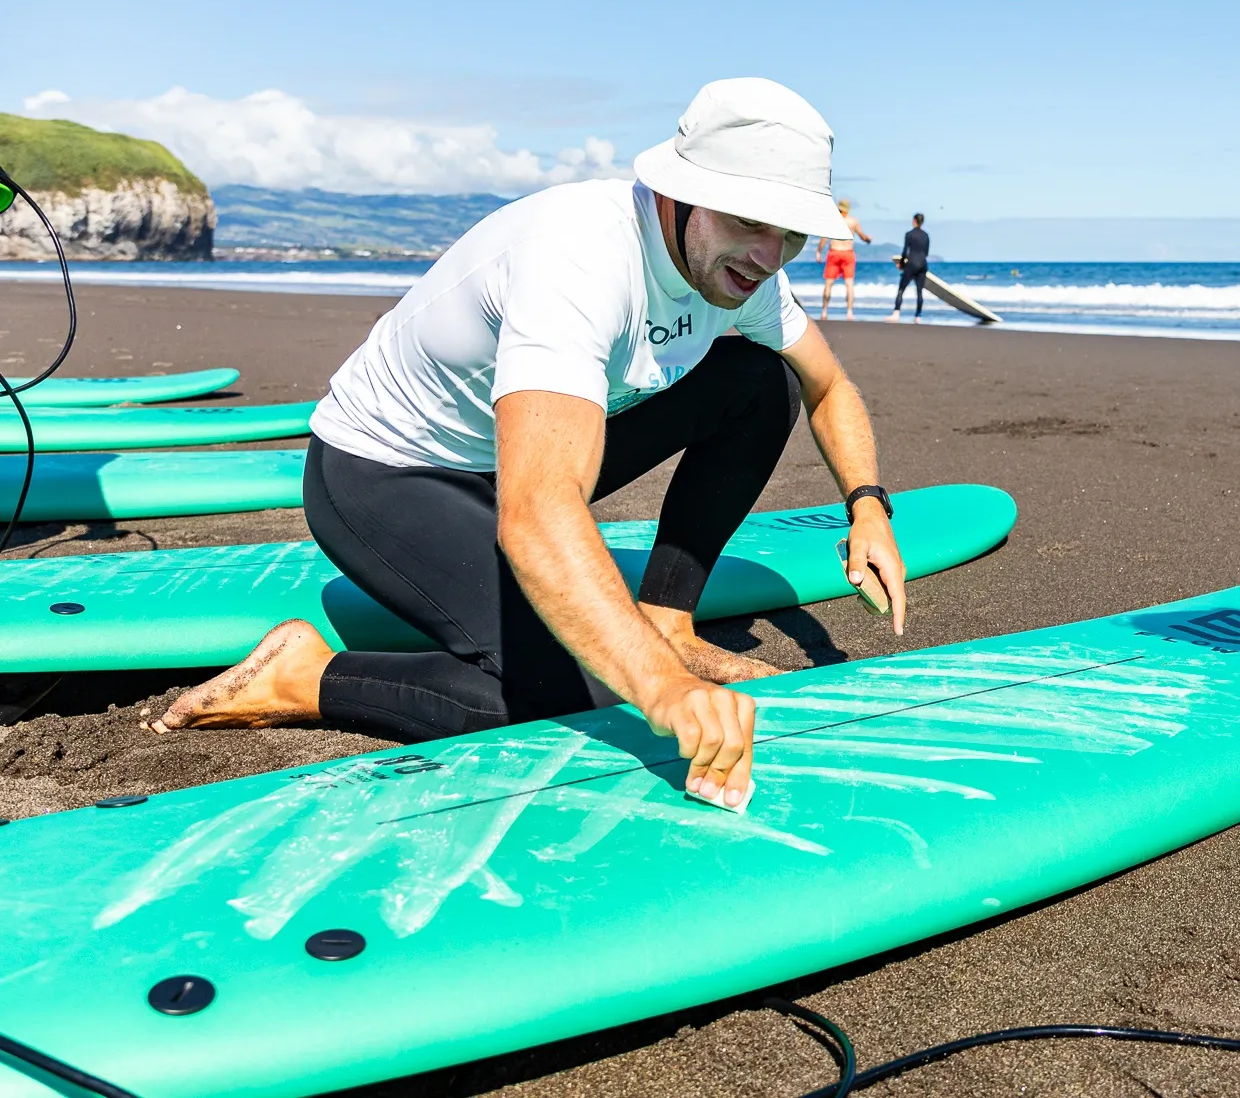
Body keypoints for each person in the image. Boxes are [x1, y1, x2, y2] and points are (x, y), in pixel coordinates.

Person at [151, 78, 910, 814]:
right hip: (385, 470)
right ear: (682, 194)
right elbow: (538, 513)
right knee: (576, 691)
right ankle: (306, 676)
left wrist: (867, 507)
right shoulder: (579, 257)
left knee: (759, 380)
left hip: (508, 457)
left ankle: (669, 619)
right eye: (752, 222)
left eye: (792, 233)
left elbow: (827, 386)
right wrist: (663, 688)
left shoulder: (746, 268)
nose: (770, 255)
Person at [817, 198, 874, 320]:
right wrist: (868, 239)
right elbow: (862, 236)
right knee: (849, 284)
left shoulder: (831, 221)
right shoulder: (852, 222)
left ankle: (824, 311)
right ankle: (849, 312)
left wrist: (818, 252)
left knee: (828, 283)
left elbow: (823, 239)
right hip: (848, 253)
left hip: (834, 252)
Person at [890, 213, 930, 322]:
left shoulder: (909, 234)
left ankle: (896, 313)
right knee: (919, 292)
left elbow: (905, 252)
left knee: (901, 289)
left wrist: (902, 264)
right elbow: (926, 253)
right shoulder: (926, 235)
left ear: (914, 220)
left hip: (911, 264)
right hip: (923, 264)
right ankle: (918, 316)